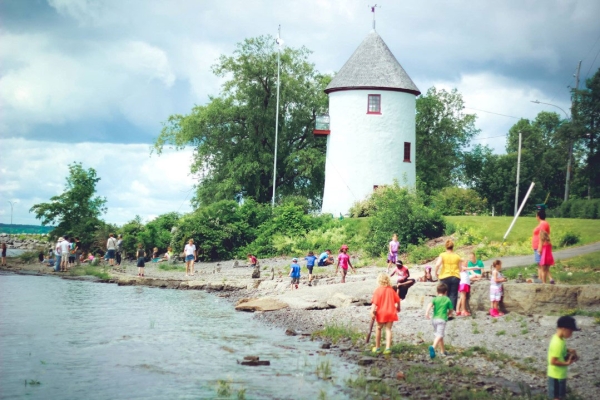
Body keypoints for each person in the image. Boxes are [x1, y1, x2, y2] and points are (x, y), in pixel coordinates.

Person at [547, 316, 580, 400]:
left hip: (560, 374)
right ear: (564, 329)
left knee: (560, 396)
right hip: (556, 375)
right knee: (556, 397)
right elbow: (553, 361)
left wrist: (568, 350)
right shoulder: (557, 343)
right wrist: (567, 363)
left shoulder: (560, 339)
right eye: (571, 331)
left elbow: (560, 351)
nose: (571, 334)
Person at [370, 273, 401, 355]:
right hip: (391, 312)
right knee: (388, 329)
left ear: (379, 281)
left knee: (379, 328)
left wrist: (372, 311)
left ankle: (377, 347)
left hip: (381, 313)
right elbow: (398, 300)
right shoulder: (391, 290)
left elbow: (374, 303)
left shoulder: (378, 290)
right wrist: (398, 308)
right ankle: (387, 348)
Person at [425, 283, 454, 358]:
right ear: (446, 292)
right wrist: (448, 314)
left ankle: (443, 351)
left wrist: (427, 312)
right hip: (442, 319)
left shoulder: (435, 298)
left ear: (437, 292)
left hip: (434, 319)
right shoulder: (447, 299)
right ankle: (433, 347)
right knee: (440, 335)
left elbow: (429, 305)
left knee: (438, 335)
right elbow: (451, 310)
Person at [434, 239, 461, 310]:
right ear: (453, 247)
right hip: (455, 276)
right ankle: (451, 313)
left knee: (443, 294)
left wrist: (436, 273)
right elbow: (460, 268)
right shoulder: (457, 256)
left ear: (446, 247)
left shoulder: (442, 255)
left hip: (444, 276)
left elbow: (437, 265)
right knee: (453, 295)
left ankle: (443, 310)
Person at [533, 209, 553, 284]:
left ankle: (541, 281)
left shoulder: (543, 224)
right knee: (541, 265)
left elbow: (542, 236)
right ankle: (548, 279)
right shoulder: (543, 223)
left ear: (538, 216)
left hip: (539, 246)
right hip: (538, 246)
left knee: (540, 265)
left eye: (536, 215)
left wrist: (539, 248)